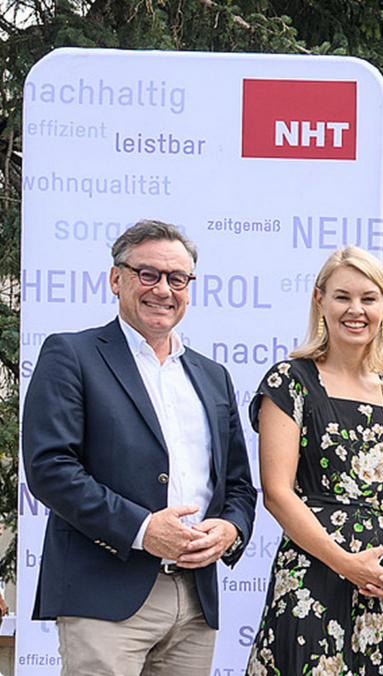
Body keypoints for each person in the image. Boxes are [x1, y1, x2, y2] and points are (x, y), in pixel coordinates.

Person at [22, 219, 256, 675]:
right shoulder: (72, 355)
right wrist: (142, 528)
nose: (163, 290)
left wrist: (230, 530)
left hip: (195, 601)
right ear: (116, 279)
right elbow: (51, 468)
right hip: (103, 595)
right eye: (148, 274)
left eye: (177, 279)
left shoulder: (213, 376)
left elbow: (238, 486)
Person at [245, 246, 383, 675]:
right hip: (311, 580)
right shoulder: (289, 382)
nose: (355, 310)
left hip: (382, 588)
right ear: (320, 300)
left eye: (368, 298)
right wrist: (345, 563)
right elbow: (277, 493)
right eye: (343, 297)